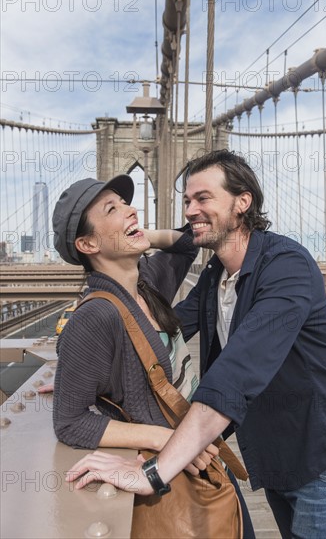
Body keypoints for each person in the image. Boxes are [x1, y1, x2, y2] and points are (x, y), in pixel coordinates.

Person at [67, 150, 326, 539]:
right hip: (272, 457)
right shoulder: (217, 274)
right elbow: (161, 328)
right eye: (187, 200)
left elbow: (235, 374)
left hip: (321, 461)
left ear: (243, 202)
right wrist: (81, 367)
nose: (190, 210)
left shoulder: (286, 266)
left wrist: (154, 473)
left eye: (203, 198)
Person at [51, 172, 255, 538]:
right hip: (169, 477)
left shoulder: (147, 280)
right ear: (87, 243)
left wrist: (142, 236)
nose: (131, 210)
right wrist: (165, 440)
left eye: (126, 202)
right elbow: (70, 421)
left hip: (199, 454)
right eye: (112, 209)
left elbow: (187, 244)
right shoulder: (96, 316)